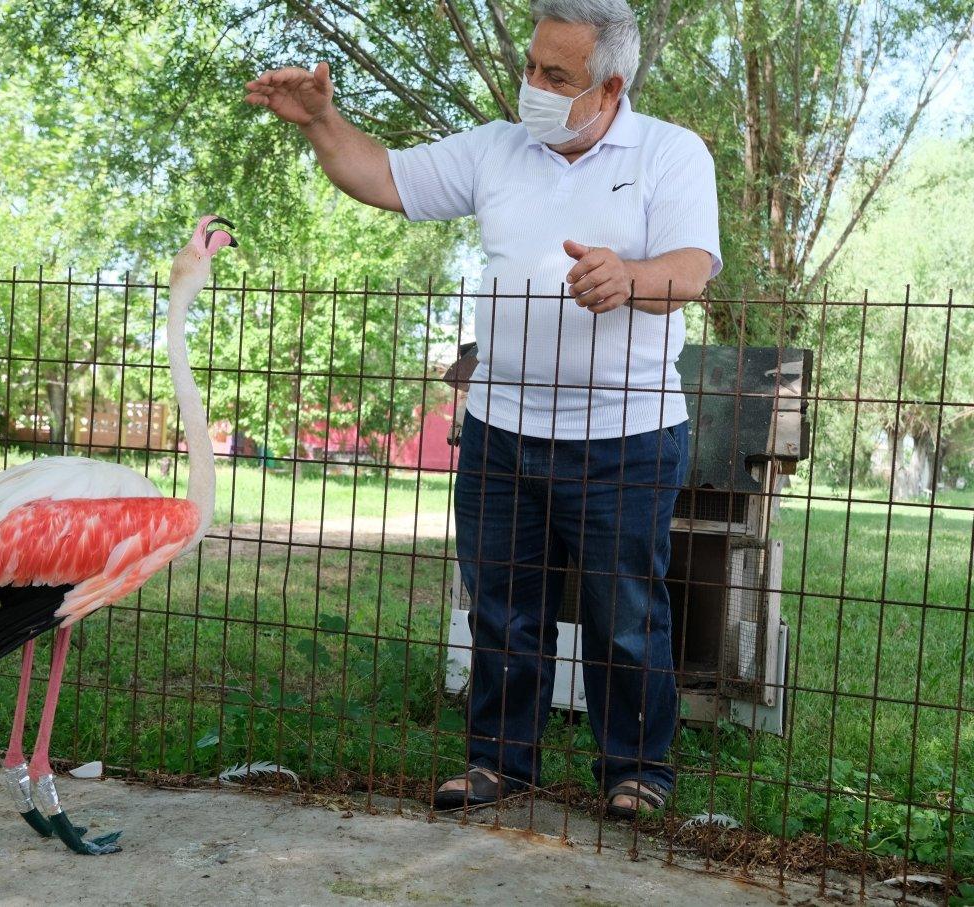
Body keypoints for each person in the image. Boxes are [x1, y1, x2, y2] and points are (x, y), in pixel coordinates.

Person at [244, 0, 721, 817]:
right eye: (531, 66)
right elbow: (382, 176)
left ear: (609, 89)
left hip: (625, 436)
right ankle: (502, 762)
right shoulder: (499, 149)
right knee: (502, 605)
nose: (532, 85)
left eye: (555, 76)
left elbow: (693, 266)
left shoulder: (670, 154)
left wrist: (630, 277)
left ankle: (637, 771)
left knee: (626, 615)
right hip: (503, 430)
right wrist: (322, 122)